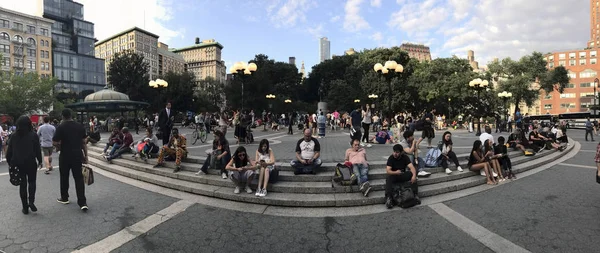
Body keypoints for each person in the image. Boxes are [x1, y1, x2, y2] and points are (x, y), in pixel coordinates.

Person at [53, 109, 88, 212]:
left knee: (64, 177)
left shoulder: (61, 127)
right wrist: (86, 156)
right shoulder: (79, 126)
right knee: (79, 178)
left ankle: (64, 198)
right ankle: (82, 202)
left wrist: (60, 146)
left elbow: (54, 142)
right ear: (71, 116)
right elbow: (84, 142)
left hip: (65, 155)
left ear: (63, 116)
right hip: (77, 155)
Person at [7, 116, 43, 214]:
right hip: (31, 162)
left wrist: (10, 162)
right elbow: (37, 150)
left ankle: (25, 207)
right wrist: (40, 161)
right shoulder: (33, 135)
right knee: (32, 182)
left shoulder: (13, 136)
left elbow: (9, 152)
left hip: (18, 163)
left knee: (22, 185)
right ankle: (31, 201)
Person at [384, 144, 419, 209]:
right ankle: (388, 198)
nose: (395, 154)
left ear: (401, 152)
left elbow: (412, 167)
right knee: (388, 178)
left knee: (412, 174)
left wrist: (414, 176)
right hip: (394, 175)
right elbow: (388, 171)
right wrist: (395, 172)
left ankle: (415, 194)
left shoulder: (405, 157)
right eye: (394, 152)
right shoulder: (391, 158)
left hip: (402, 174)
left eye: (397, 152)